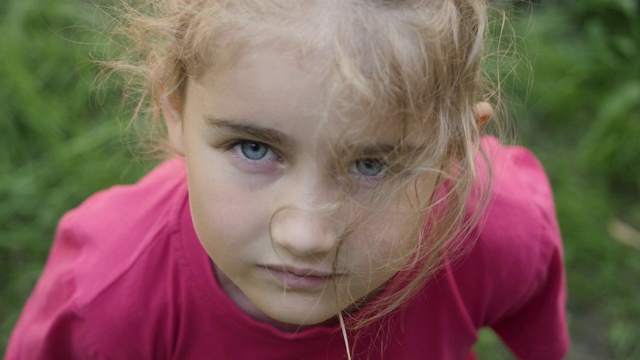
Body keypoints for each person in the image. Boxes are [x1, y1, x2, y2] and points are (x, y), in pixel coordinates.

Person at [6, 0, 569, 359]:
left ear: (455, 150)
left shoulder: (498, 233)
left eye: (371, 164)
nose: (306, 235)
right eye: (255, 149)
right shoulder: (105, 300)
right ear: (175, 109)